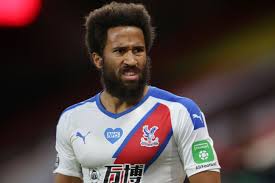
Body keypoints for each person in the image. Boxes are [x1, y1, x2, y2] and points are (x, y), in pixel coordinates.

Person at [53, 2, 221, 183]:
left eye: (138, 50)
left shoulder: (180, 112)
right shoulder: (72, 119)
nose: (131, 60)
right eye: (120, 51)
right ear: (98, 59)